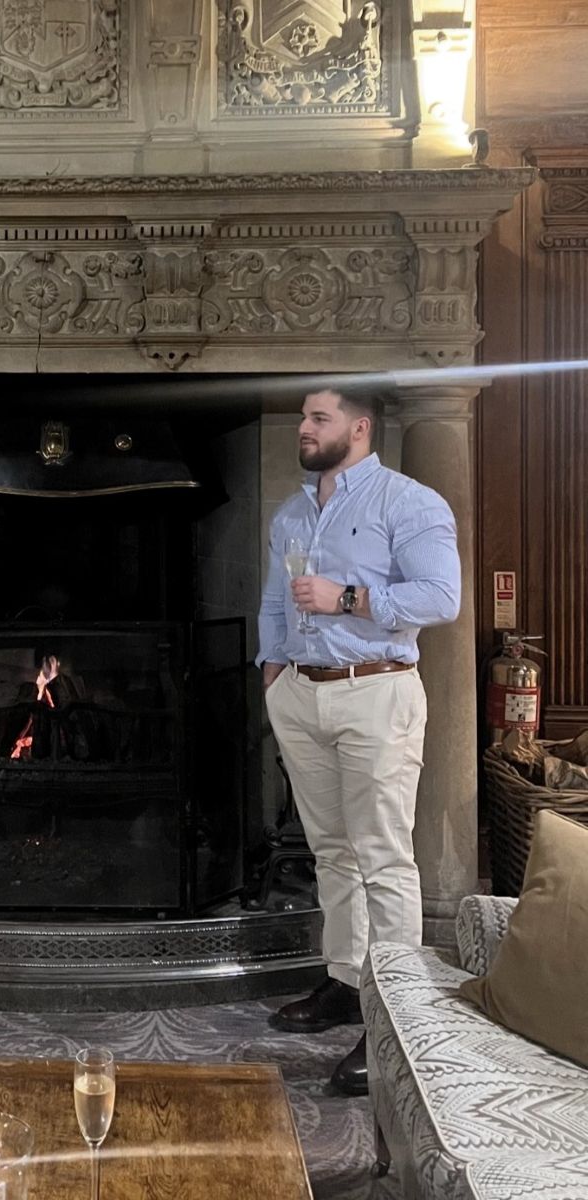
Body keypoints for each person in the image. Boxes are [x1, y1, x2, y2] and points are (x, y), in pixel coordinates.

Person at [257, 384, 461, 1096]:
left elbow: (442, 596)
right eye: (303, 418)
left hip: (376, 691)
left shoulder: (409, 502)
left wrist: (347, 598)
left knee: (383, 858)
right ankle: (347, 981)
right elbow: (274, 599)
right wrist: (272, 671)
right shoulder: (291, 512)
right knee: (333, 852)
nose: (305, 428)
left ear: (361, 427)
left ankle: (398, 1024)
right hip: (301, 693)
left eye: (320, 418)